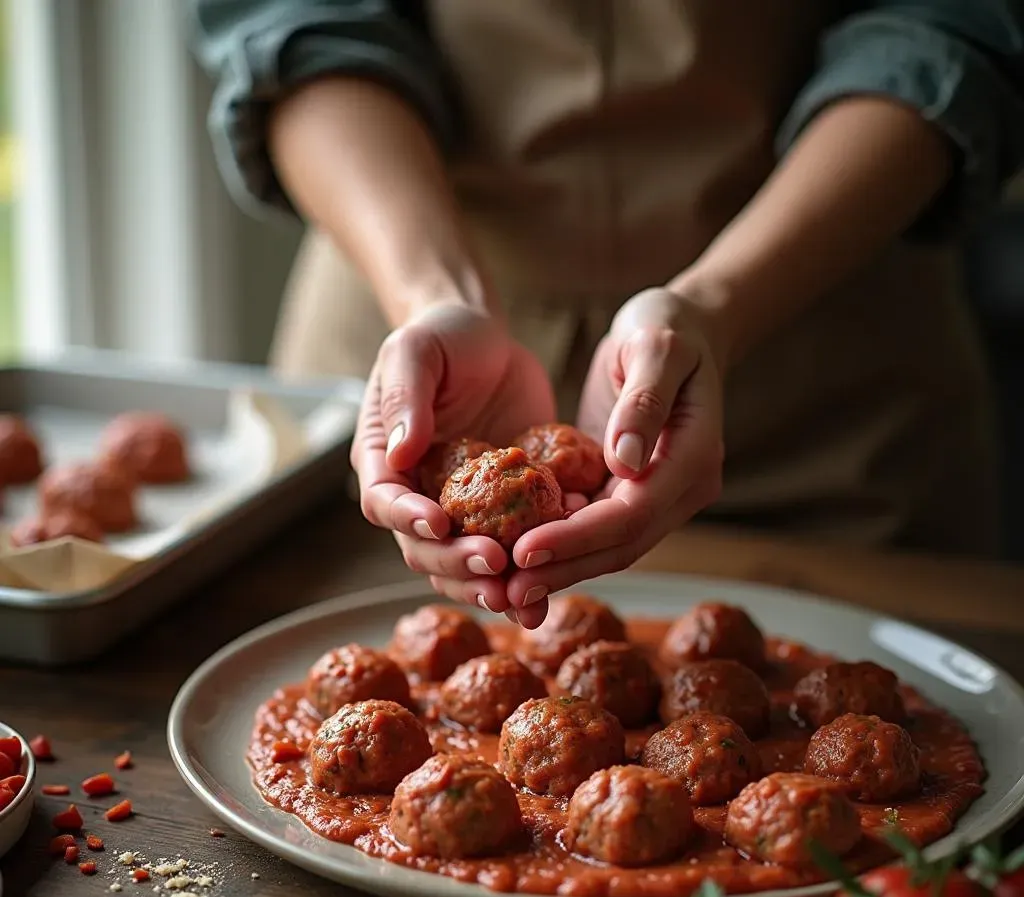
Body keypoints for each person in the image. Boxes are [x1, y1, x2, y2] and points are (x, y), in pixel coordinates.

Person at [190, 1, 1024, 627]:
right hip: (405, 305)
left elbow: (947, 23)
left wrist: (715, 306)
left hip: (834, 369)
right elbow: (296, 19)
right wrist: (435, 295)